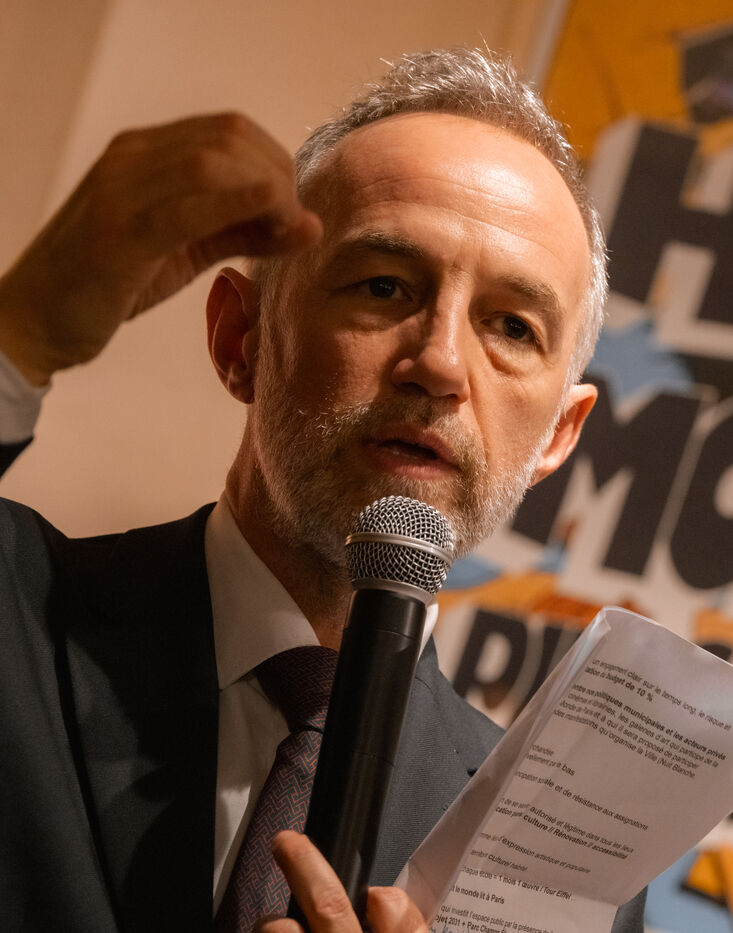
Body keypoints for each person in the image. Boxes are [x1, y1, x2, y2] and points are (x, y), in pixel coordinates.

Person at [0, 49, 643, 933]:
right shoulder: (17, 614)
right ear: (240, 337)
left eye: (511, 326)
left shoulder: (561, 877)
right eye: (384, 286)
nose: (441, 363)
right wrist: (21, 333)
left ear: (558, 438)